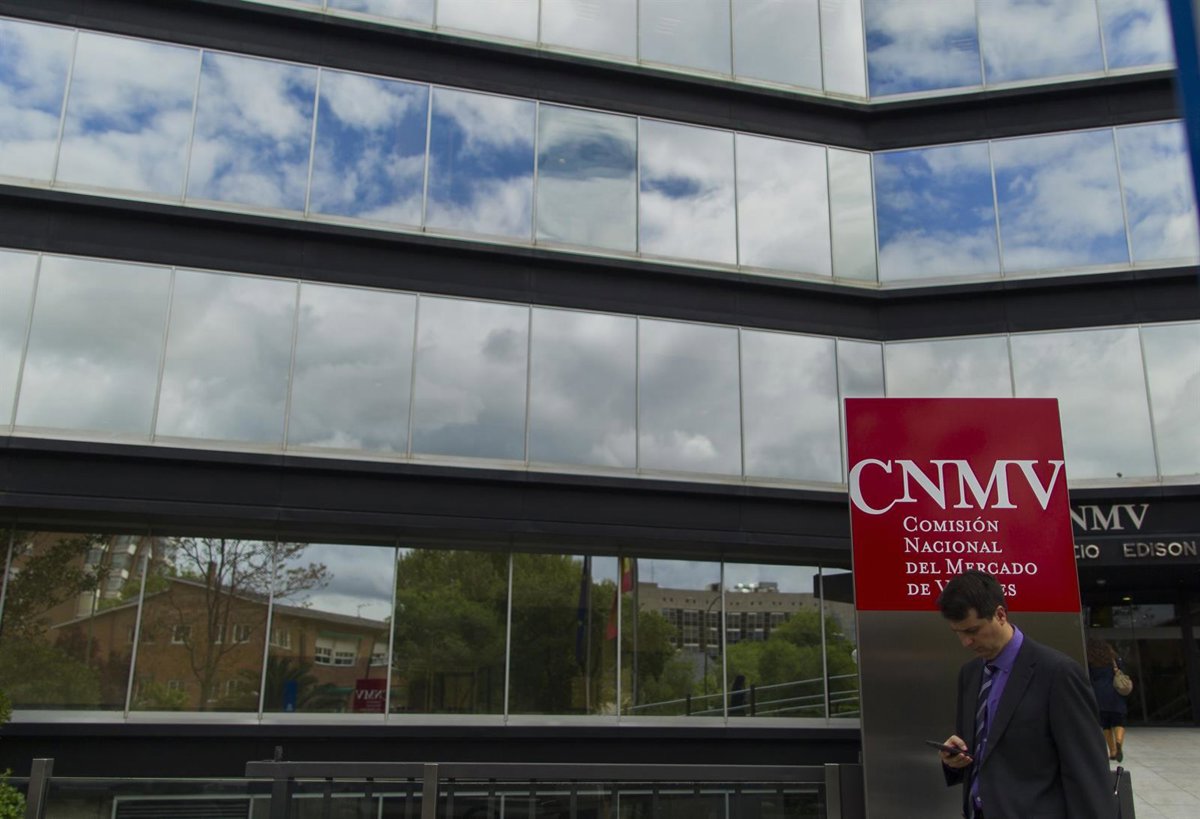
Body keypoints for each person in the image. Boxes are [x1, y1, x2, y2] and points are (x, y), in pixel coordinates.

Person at [935, 570, 1114, 819]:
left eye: (973, 630)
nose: (966, 642)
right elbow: (986, 752)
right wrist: (954, 760)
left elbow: (1087, 771)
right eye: (959, 632)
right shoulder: (970, 674)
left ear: (1000, 615)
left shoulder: (1058, 673)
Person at [1086, 638, 1129, 762]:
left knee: (1105, 724)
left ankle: (1112, 751)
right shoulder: (1114, 659)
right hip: (1115, 693)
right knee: (1119, 721)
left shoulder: (1091, 661)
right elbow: (1122, 670)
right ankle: (1119, 742)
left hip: (1099, 694)